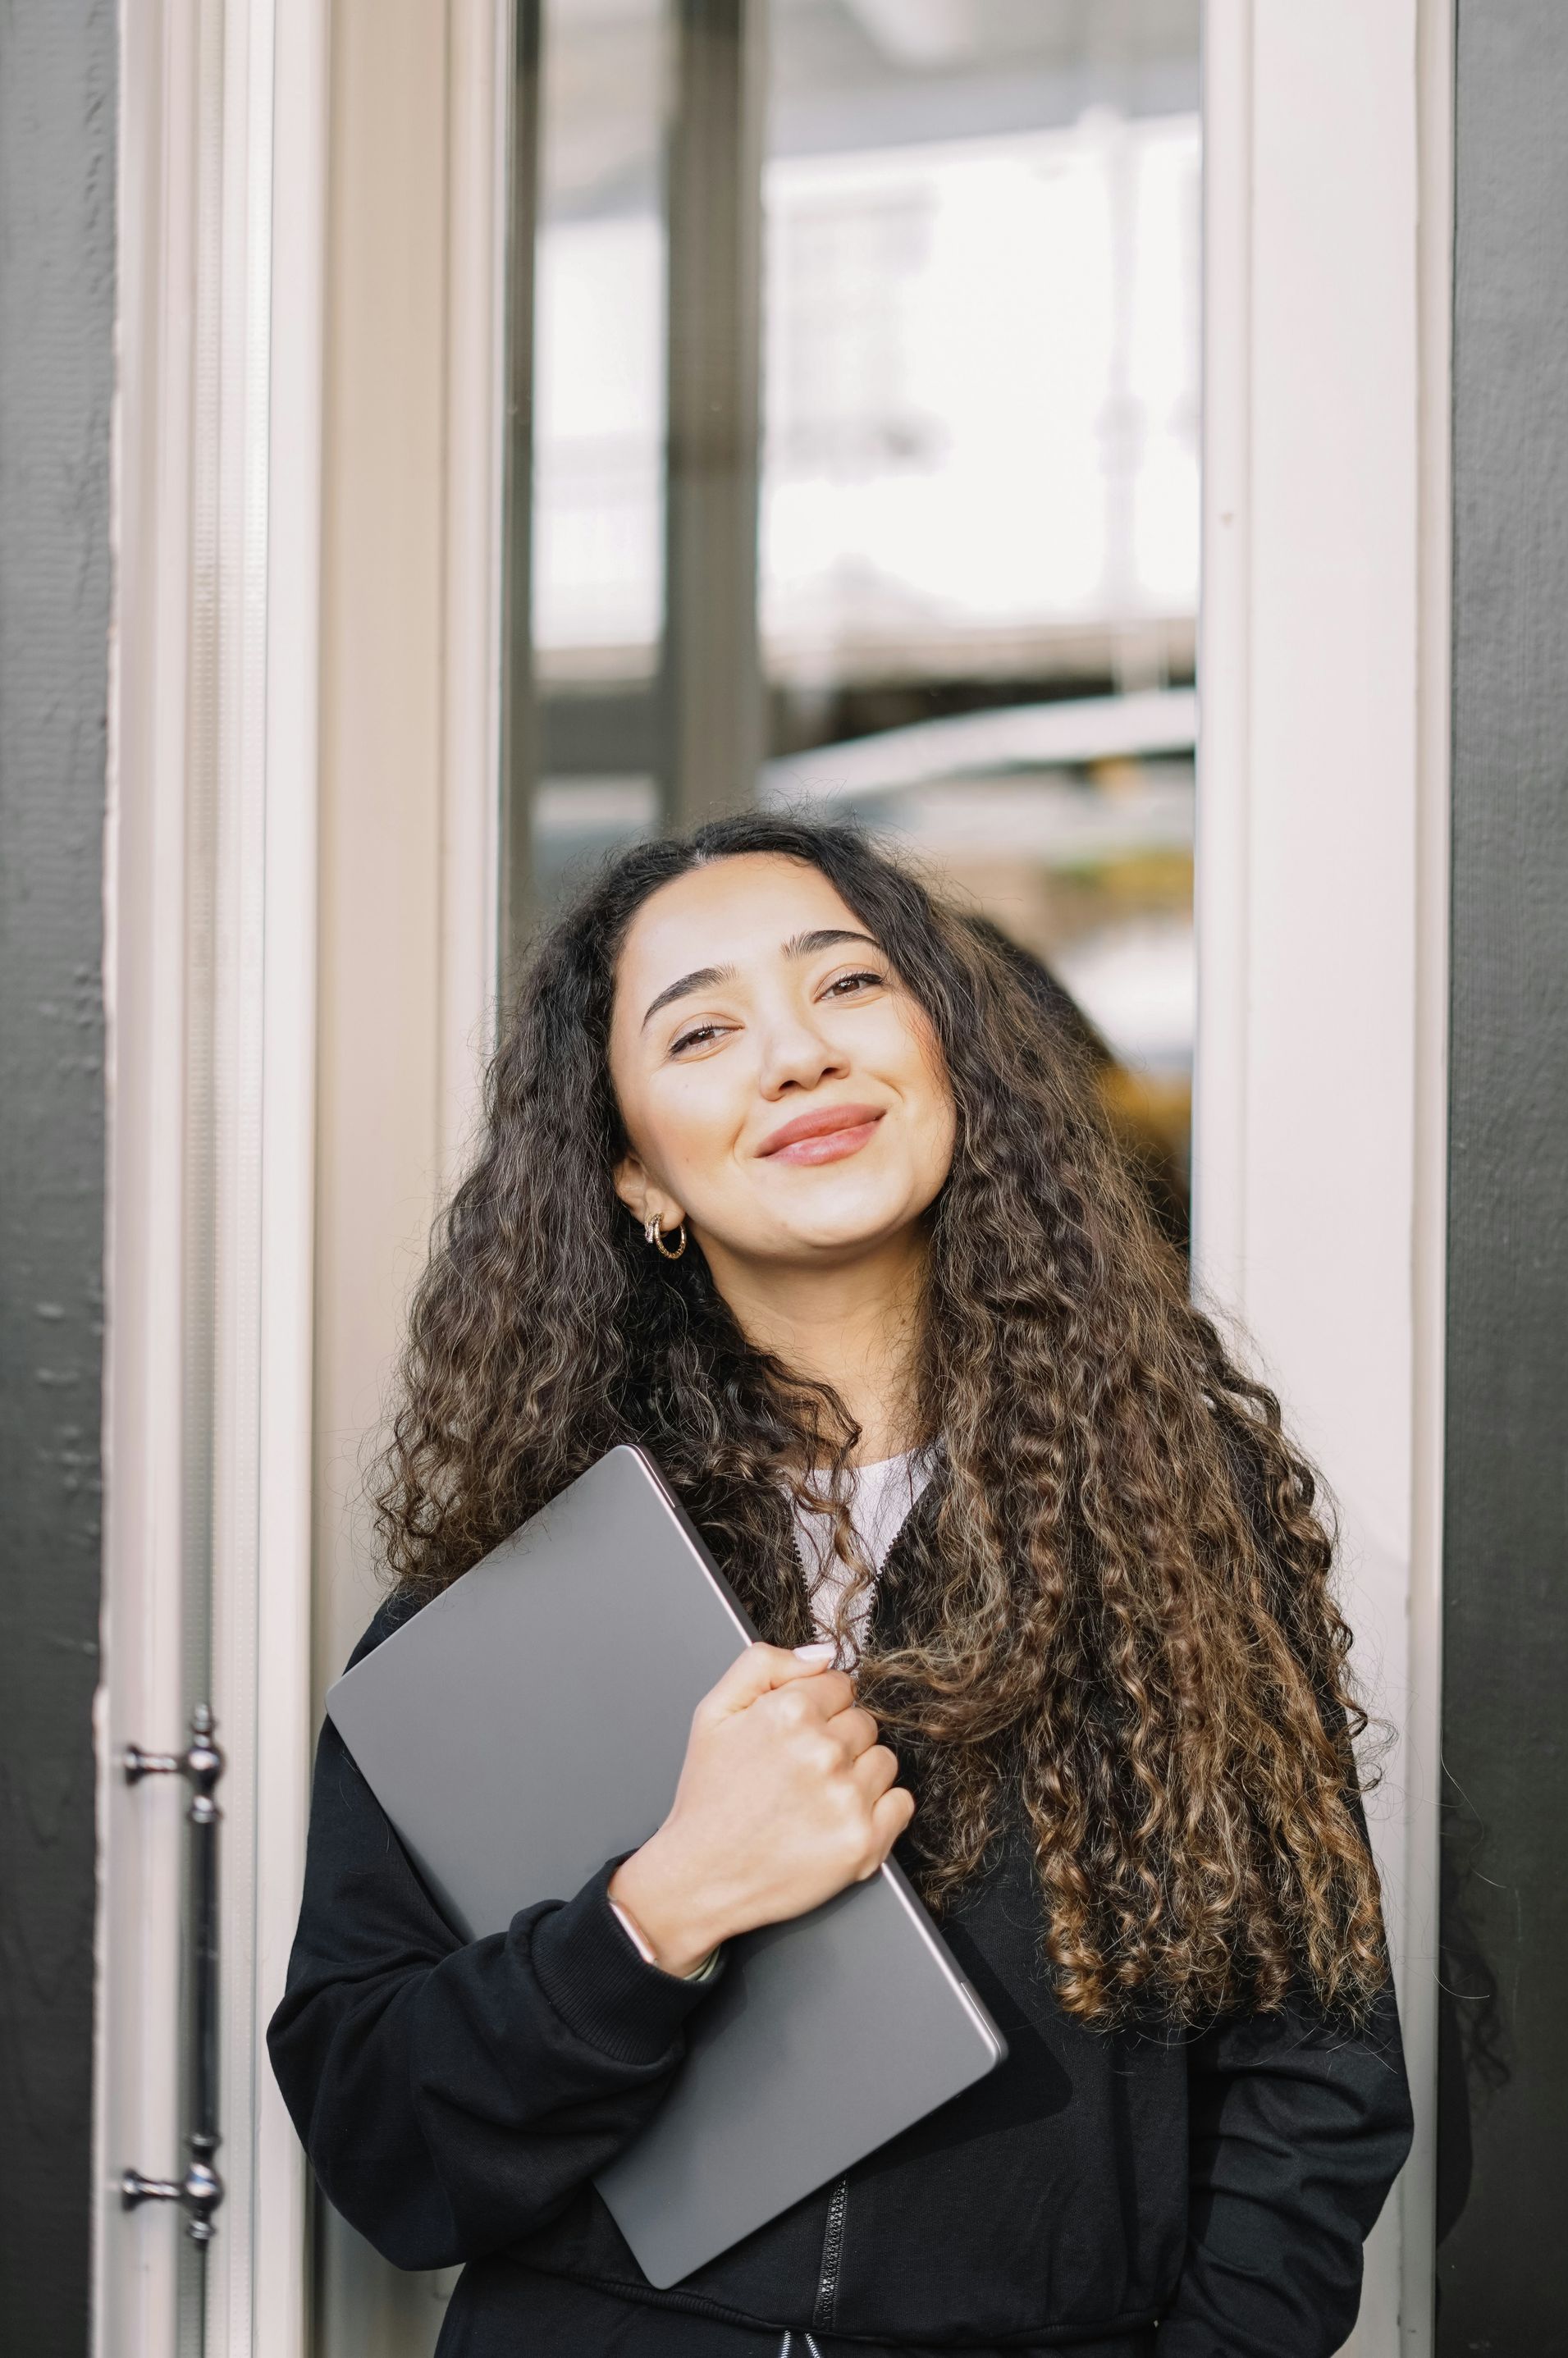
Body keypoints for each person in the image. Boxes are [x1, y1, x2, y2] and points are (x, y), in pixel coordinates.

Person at [269, 813, 1412, 2358]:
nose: (797, 1057)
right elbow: (383, 2139)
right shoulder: (514, 1590)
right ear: (634, 1171)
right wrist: (659, 1911)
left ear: (953, 1064)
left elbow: (1319, 2078)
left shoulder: (1174, 1525)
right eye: (704, 1030)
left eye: (849, 986)